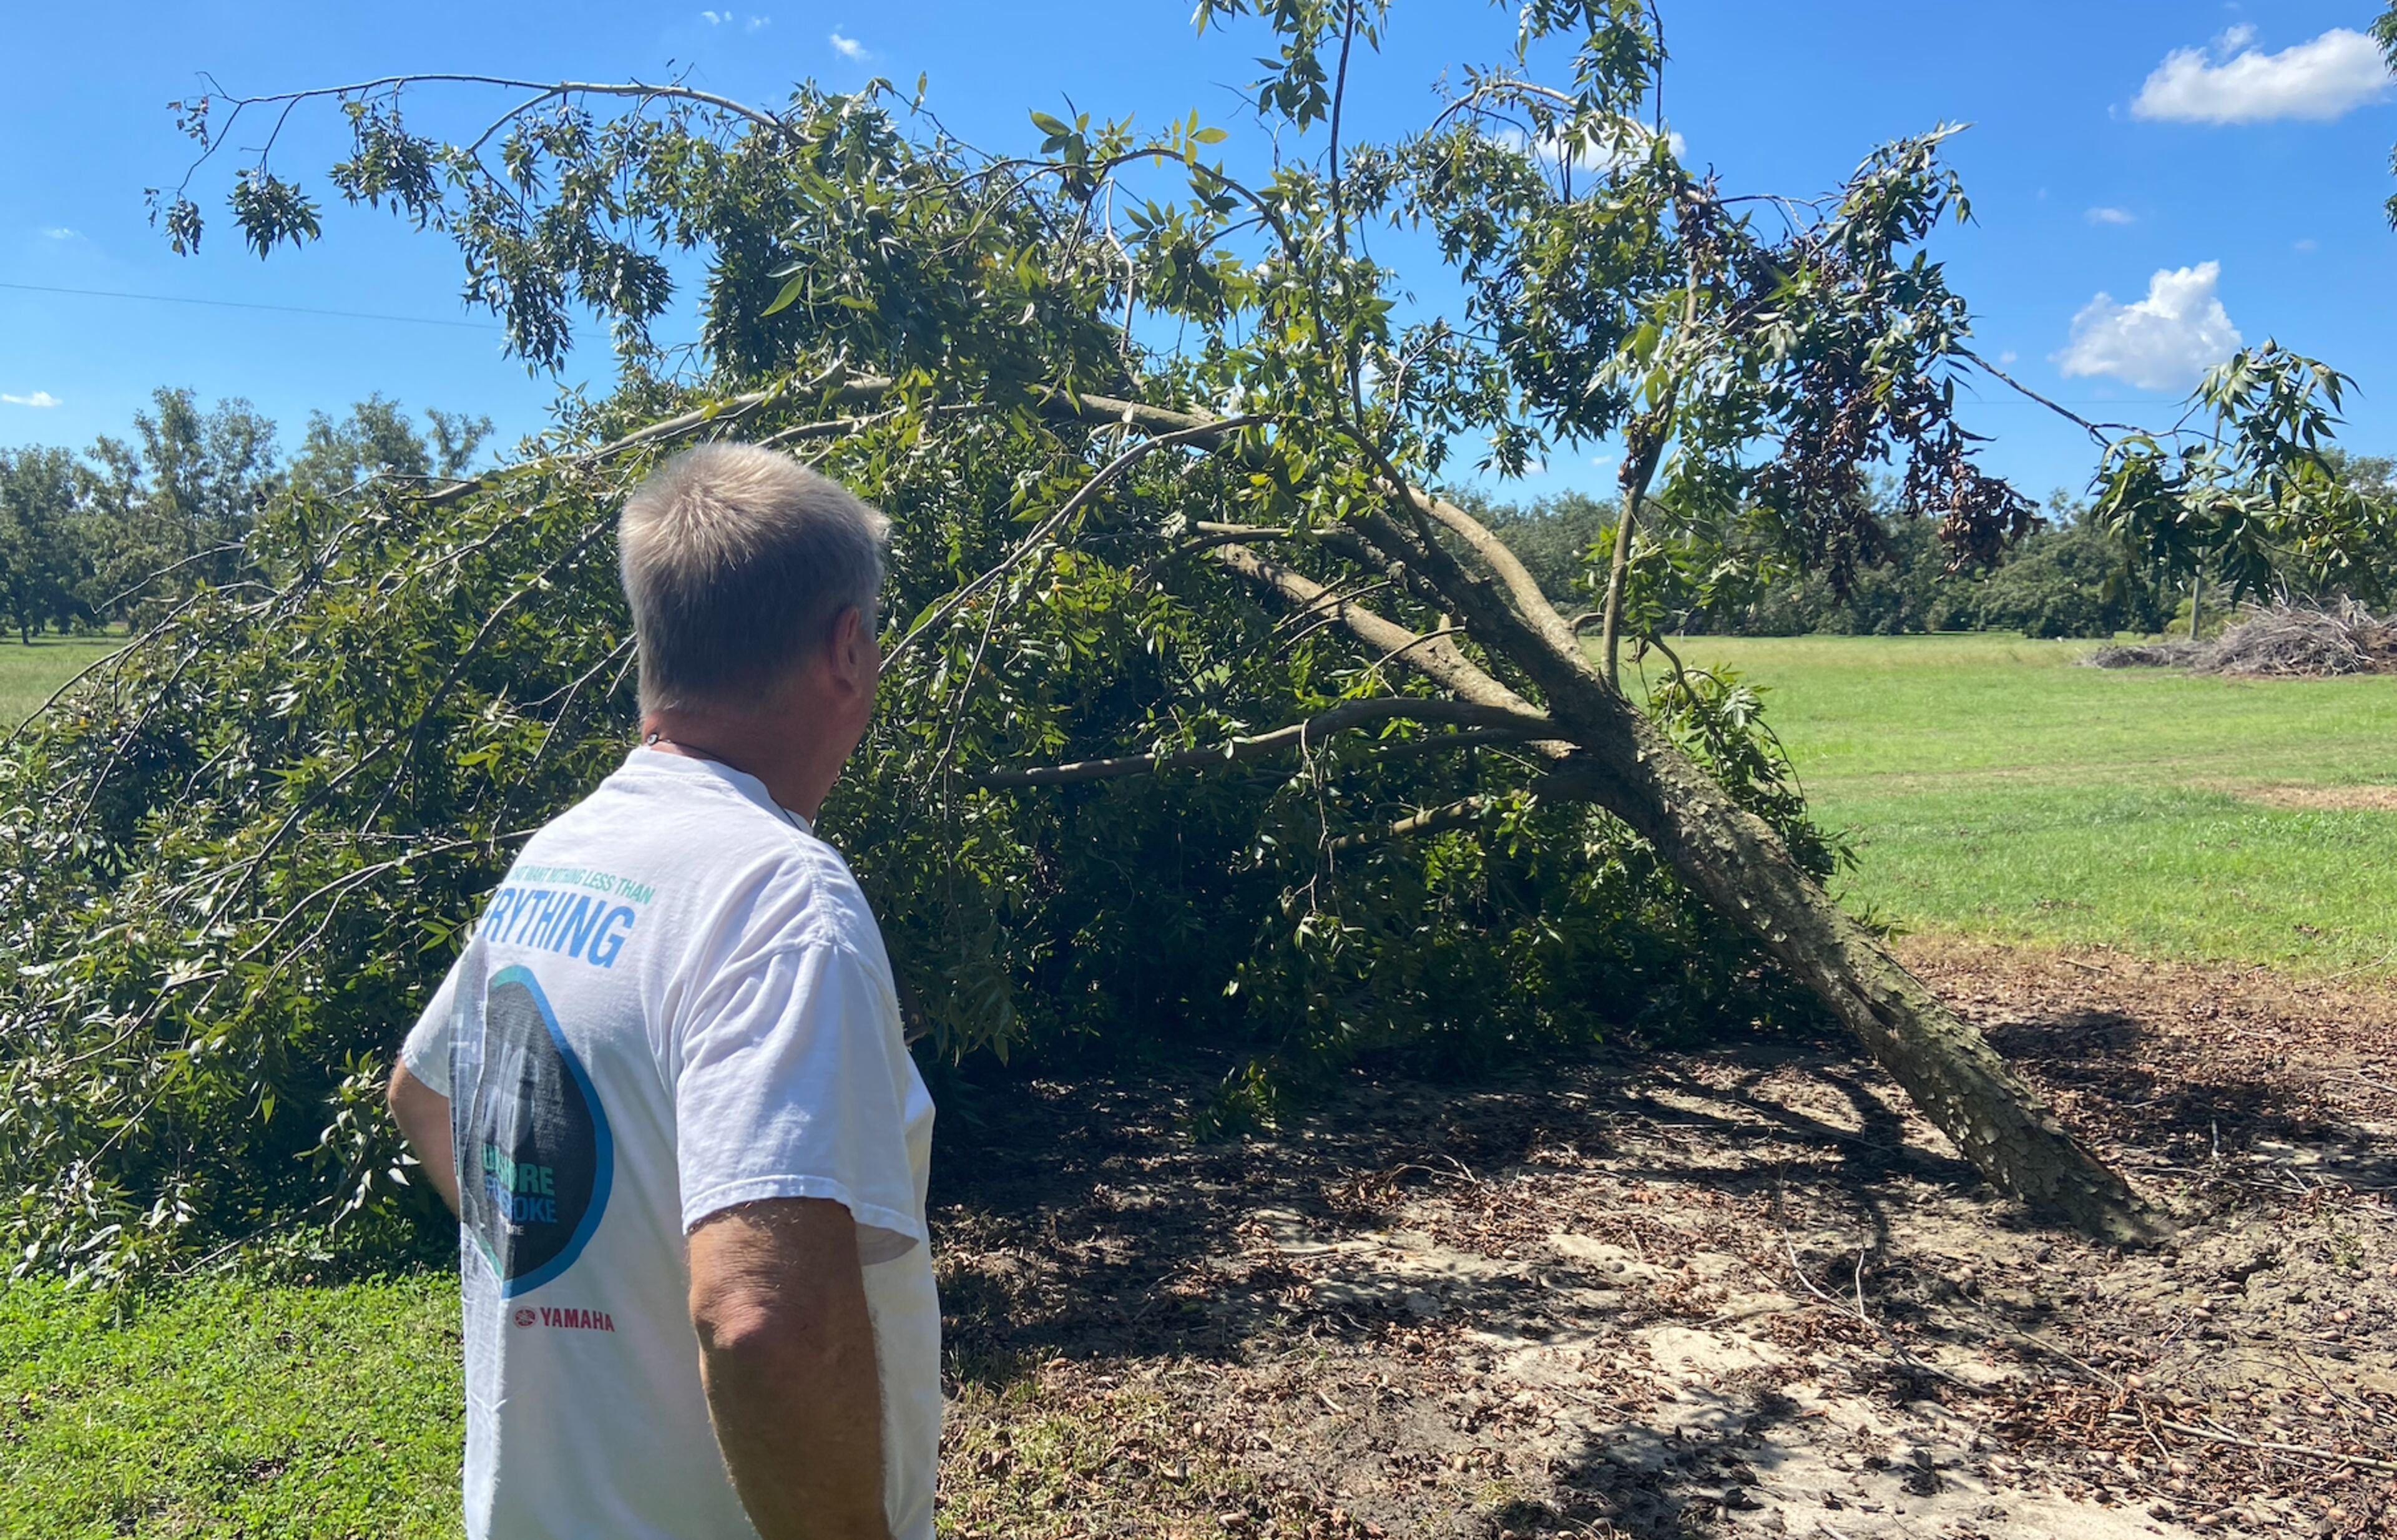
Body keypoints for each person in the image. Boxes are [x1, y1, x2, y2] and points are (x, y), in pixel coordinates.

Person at [388, 442, 938, 1540]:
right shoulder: (778, 898)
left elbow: (422, 1093)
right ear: (848, 649)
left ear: (654, 649)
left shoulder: (565, 850)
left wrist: (597, 1279)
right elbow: (757, 1320)